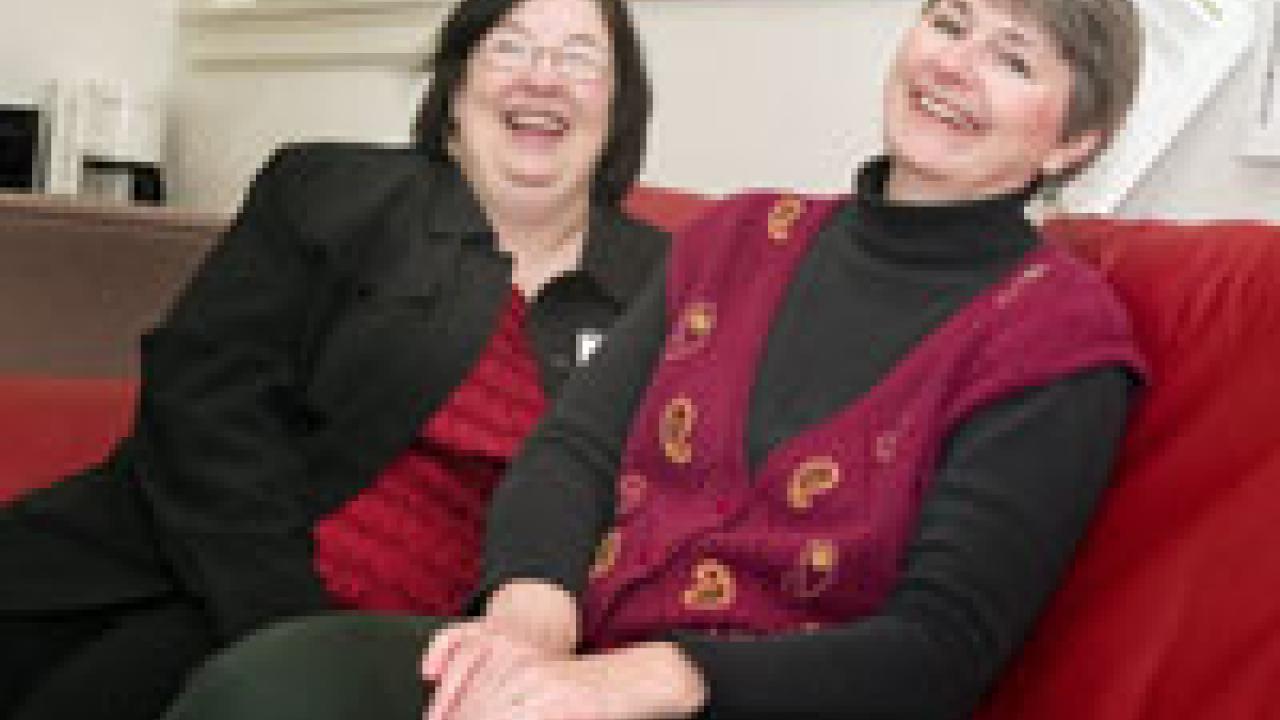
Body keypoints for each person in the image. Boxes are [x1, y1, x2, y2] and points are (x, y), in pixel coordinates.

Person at [163, 0, 1146, 718]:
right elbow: (573, 450)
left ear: (1074, 136)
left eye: (1012, 58)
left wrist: (646, 680)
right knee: (271, 687)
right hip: (572, 657)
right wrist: (531, 618)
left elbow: (939, 650)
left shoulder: (1057, 335)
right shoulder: (735, 237)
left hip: (739, 703)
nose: (954, 65)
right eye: (946, 22)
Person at [0, 0, 666, 718]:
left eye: (579, 57)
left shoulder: (670, 286)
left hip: (417, 656)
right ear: (455, 88)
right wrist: (288, 626)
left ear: (618, 105)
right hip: (204, 564)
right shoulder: (329, 194)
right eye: (508, 48)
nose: (542, 77)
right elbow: (207, 405)